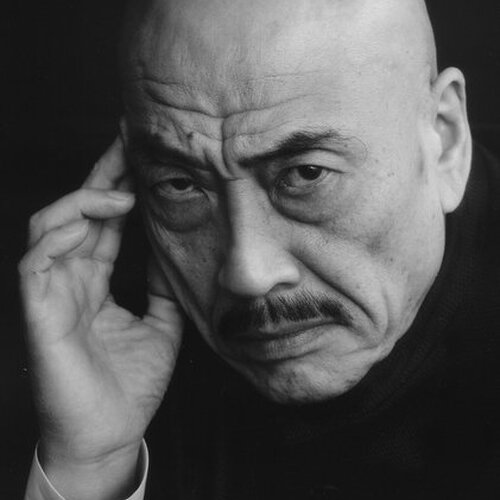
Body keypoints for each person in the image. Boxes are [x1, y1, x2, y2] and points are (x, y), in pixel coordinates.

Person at [20, 0, 500, 498]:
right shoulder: (100, 335)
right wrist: (90, 466)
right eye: (181, 185)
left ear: (445, 141)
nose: (247, 273)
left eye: (307, 174)